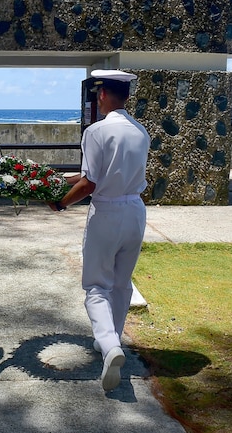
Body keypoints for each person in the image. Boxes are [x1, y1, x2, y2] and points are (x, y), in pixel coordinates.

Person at [48, 69, 150, 392]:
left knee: (95, 286)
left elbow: (90, 182)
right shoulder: (141, 132)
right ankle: (112, 338)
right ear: (127, 97)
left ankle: (109, 347)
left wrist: (61, 203)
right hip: (135, 211)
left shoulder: (95, 132)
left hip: (106, 212)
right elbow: (99, 175)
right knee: (121, 285)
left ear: (102, 94)